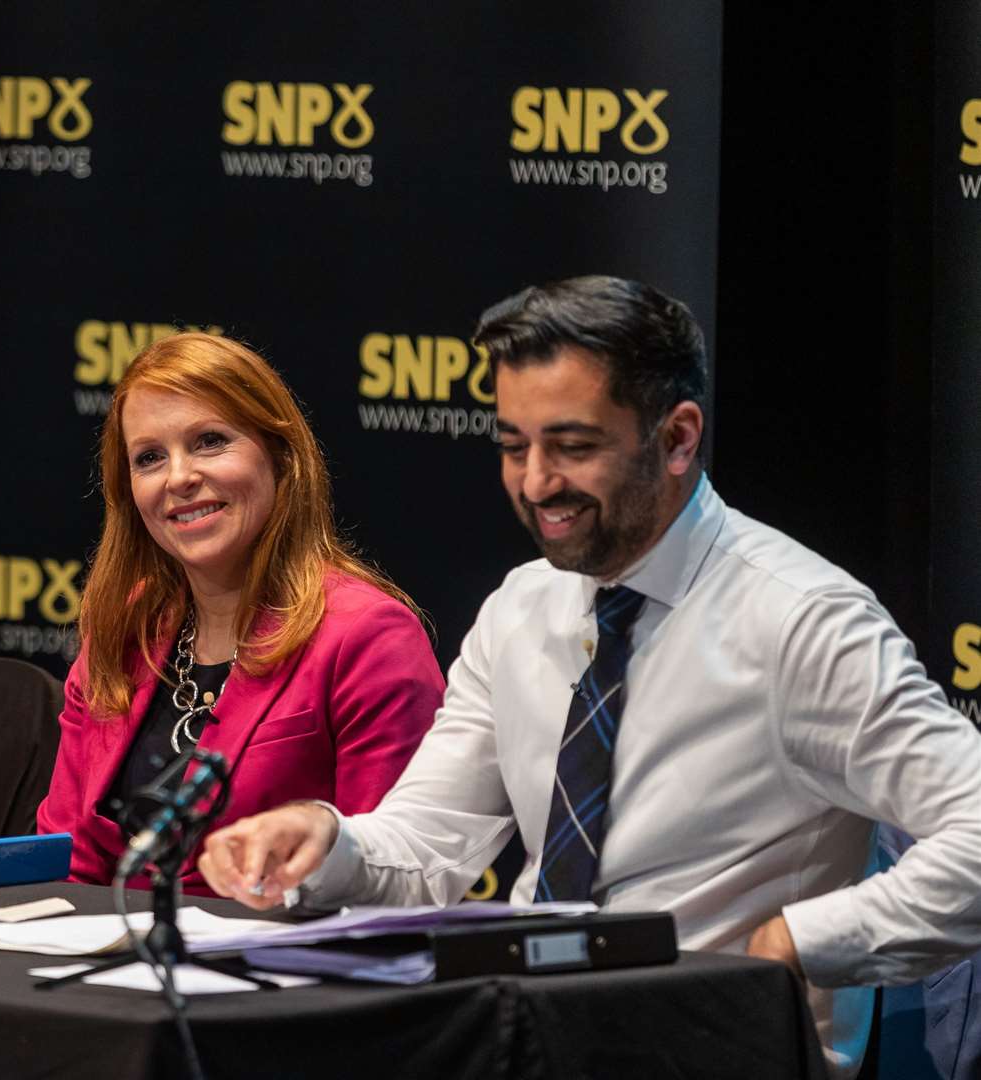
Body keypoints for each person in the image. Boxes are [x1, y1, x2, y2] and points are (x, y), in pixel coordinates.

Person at [197, 276, 981, 1077]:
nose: (536, 483)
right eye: (512, 446)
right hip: (524, 1044)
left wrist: (804, 943)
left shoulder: (803, 619)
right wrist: (326, 842)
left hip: (715, 1055)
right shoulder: (522, 607)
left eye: (573, 447)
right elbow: (430, 845)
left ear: (677, 439)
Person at [36, 332, 445, 895]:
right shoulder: (123, 629)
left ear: (279, 456)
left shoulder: (368, 636)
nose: (178, 477)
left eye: (209, 442)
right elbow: (68, 863)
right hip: (110, 965)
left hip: (285, 969)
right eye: (150, 457)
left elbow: (390, 875)